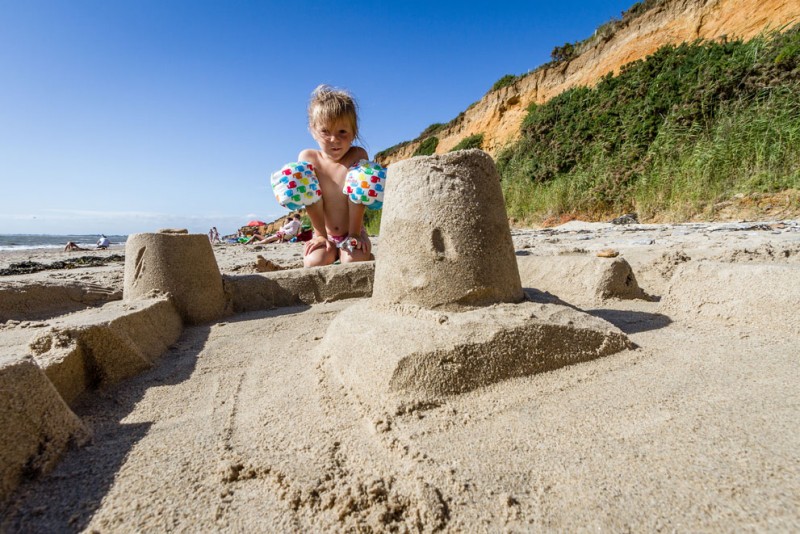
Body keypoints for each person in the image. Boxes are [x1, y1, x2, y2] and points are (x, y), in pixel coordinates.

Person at [298, 85, 372, 267]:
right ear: (313, 130)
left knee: (353, 261)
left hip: (353, 230)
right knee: (314, 262)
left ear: (354, 131)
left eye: (342, 132)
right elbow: (311, 198)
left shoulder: (357, 155)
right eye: (325, 131)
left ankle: (363, 255)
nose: (334, 139)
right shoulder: (309, 158)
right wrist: (321, 235)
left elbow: (357, 197)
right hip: (325, 233)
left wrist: (354, 234)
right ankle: (328, 247)